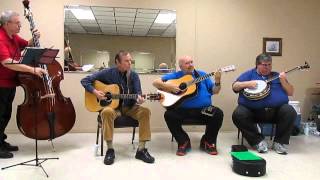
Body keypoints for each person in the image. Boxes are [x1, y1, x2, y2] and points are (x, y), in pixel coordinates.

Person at [81, 50, 155, 165]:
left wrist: (139, 99)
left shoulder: (134, 76)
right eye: (126, 61)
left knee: (145, 112)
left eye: (130, 60)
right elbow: (85, 80)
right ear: (117, 62)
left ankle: (141, 150)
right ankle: (110, 150)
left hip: (130, 108)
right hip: (114, 109)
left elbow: (138, 93)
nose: (130, 63)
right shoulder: (107, 73)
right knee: (106, 112)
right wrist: (95, 92)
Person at [153, 55, 224, 156]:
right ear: (181, 67)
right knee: (169, 115)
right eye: (187, 63)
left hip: (203, 109)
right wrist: (169, 86)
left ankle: (208, 141)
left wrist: (217, 82)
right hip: (183, 110)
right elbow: (155, 82)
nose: (190, 65)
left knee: (218, 113)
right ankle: (184, 141)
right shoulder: (177, 75)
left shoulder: (203, 75)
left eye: (191, 62)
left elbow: (215, 91)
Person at [0, 10, 46, 159]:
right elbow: (7, 62)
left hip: (10, 83)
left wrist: (35, 37)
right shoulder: (0, 38)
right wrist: (32, 69)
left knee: (5, 115)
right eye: (17, 23)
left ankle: (1, 141)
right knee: (0, 115)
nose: (20, 25)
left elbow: (27, 44)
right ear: (7, 24)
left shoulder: (13, 36)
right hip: (1, 84)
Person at [232, 53, 297, 155]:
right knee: (238, 113)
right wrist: (247, 83)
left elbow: (290, 92)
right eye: (264, 65)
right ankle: (258, 141)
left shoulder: (277, 76)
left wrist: (283, 81)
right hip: (253, 112)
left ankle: (279, 142)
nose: (268, 67)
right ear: (257, 64)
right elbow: (235, 86)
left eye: (269, 65)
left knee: (290, 111)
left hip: (275, 112)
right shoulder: (249, 74)